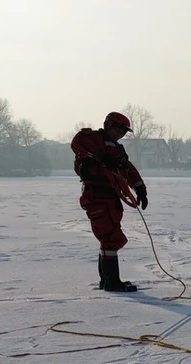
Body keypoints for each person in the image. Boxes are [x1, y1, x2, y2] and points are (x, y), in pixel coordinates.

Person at [70, 111, 149, 292]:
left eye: (123, 131)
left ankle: (108, 280)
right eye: (117, 129)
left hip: (112, 198)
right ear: (108, 125)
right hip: (96, 196)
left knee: (109, 238)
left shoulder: (118, 150)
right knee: (111, 238)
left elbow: (128, 170)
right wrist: (100, 155)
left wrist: (140, 189)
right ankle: (112, 282)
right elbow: (77, 143)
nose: (119, 133)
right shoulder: (91, 139)